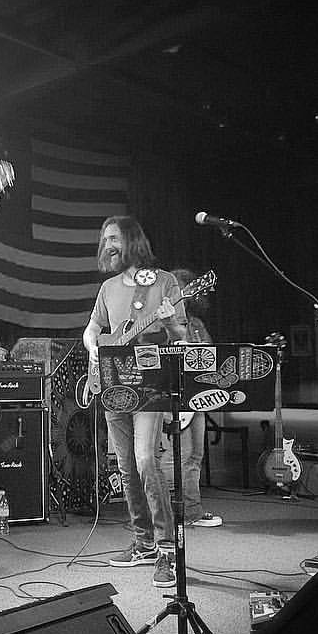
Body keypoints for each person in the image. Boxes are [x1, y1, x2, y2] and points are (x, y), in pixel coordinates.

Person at [82, 216, 188, 589]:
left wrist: (171, 323)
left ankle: (167, 549)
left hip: (151, 386)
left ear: (131, 240)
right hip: (113, 385)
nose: (107, 245)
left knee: (145, 460)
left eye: (113, 238)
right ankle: (143, 543)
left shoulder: (164, 282)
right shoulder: (108, 288)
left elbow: (182, 336)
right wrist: (94, 350)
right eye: (104, 239)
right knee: (126, 467)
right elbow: (92, 330)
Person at [161, 268, 223, 528]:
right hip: (174, 396)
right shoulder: (163, 322)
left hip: (197, 396)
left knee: (195, 456)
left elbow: (211, 357)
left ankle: (192, 512)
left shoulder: (196, 324)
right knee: (175, 457)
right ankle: (167, 513)